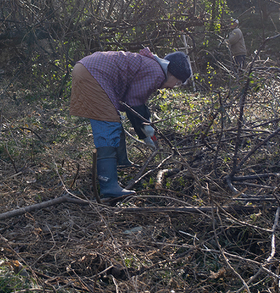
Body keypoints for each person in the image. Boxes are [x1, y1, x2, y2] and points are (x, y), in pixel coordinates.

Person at [69, 48, 192, 198]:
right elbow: (134, 102)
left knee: (114, 119)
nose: (173, 87)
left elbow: (135, 102)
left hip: (87, 69)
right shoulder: (156, 72)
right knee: (108, 124)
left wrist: (145, 127)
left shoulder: (152, 67)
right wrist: (145, 131)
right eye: (178, 83)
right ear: (172, 73)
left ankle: (121, 163)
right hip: (94, 73)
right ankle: (108, 185)